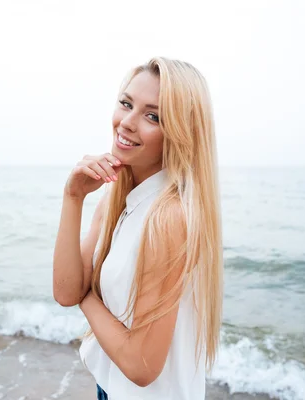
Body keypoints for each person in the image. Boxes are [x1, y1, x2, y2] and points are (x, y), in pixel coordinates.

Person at [52, 56, 223, 399]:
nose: (126, 123)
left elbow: (141, 364)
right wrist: (73, 198)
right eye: (126, 104)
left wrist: (87, 296)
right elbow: (64, 291)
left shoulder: (169, 218)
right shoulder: (118, 197)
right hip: (109, 388)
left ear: (180, 132)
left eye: (152, 116)